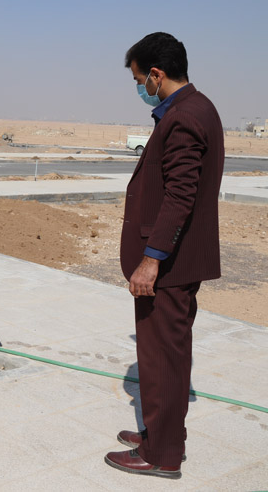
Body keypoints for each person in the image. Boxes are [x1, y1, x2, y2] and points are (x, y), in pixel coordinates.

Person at [105, 32, 224, 479]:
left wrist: (151, 259)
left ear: (156, 74)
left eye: (140, 80)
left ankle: (162, 454)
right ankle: (161, 433)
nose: (141, 88)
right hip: (175, 261)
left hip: (169, 266)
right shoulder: (194, 108)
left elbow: (180, 195)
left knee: (164, 358)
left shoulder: (185, 116)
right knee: (164, 355)